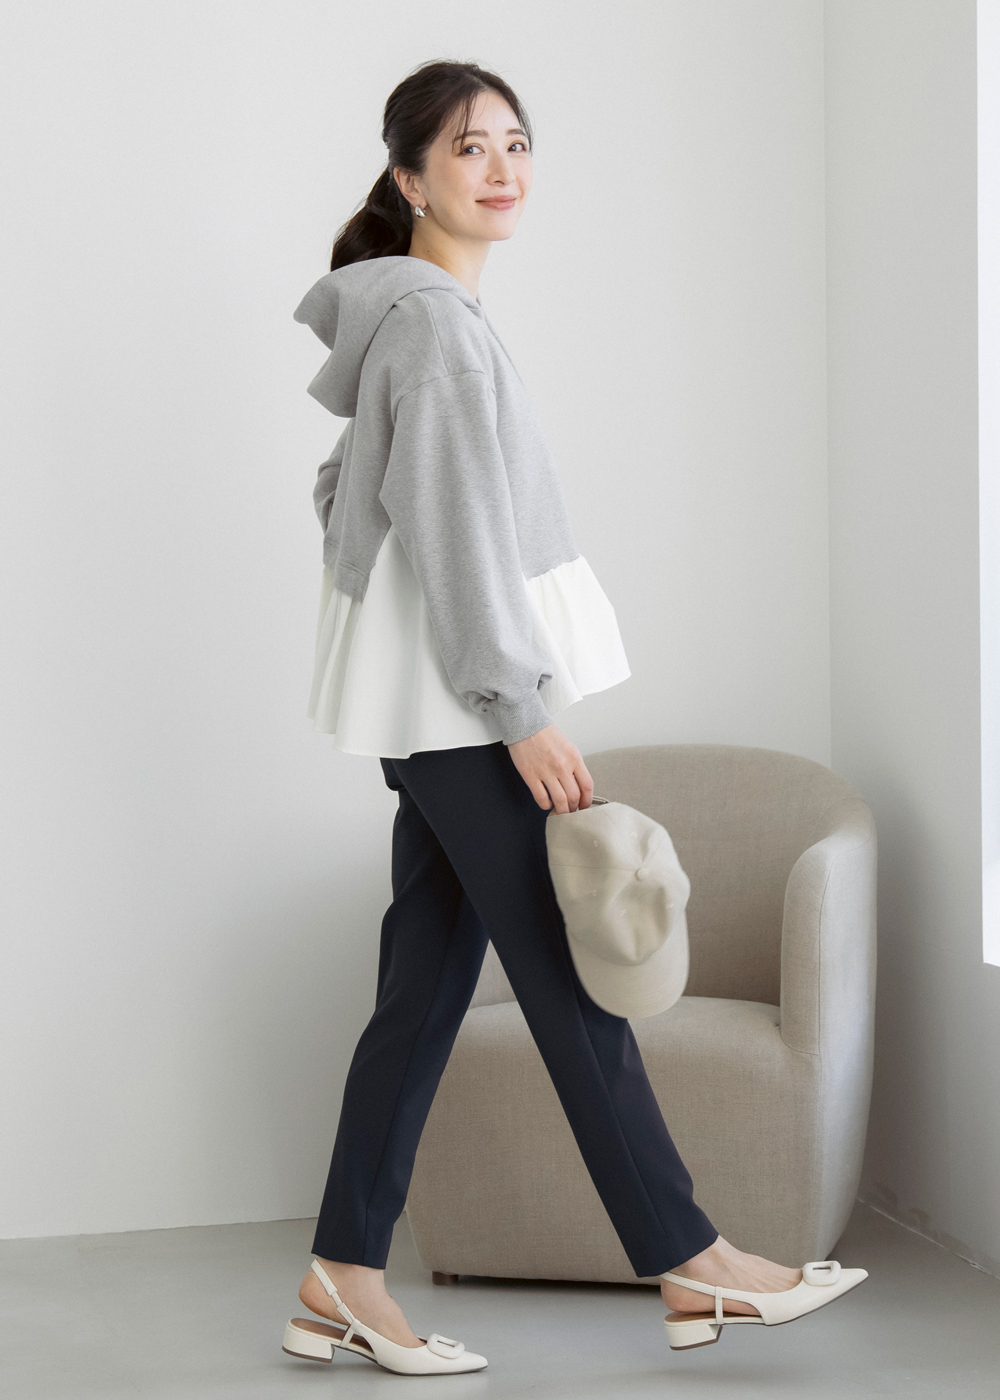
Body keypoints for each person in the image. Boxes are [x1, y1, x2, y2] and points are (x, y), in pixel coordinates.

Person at [282, 59, 866, 1376]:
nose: (502, 168)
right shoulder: (434, 325)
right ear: (408, 178)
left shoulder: (422, 317)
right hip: (462, 712)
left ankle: (338, 1278)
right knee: (569, 979)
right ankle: (692, 1259)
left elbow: (349, 490)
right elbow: (449, 530)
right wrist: (518, 707)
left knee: (422, 993)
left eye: (517, 142)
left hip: (431, 705)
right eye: (468, 146)